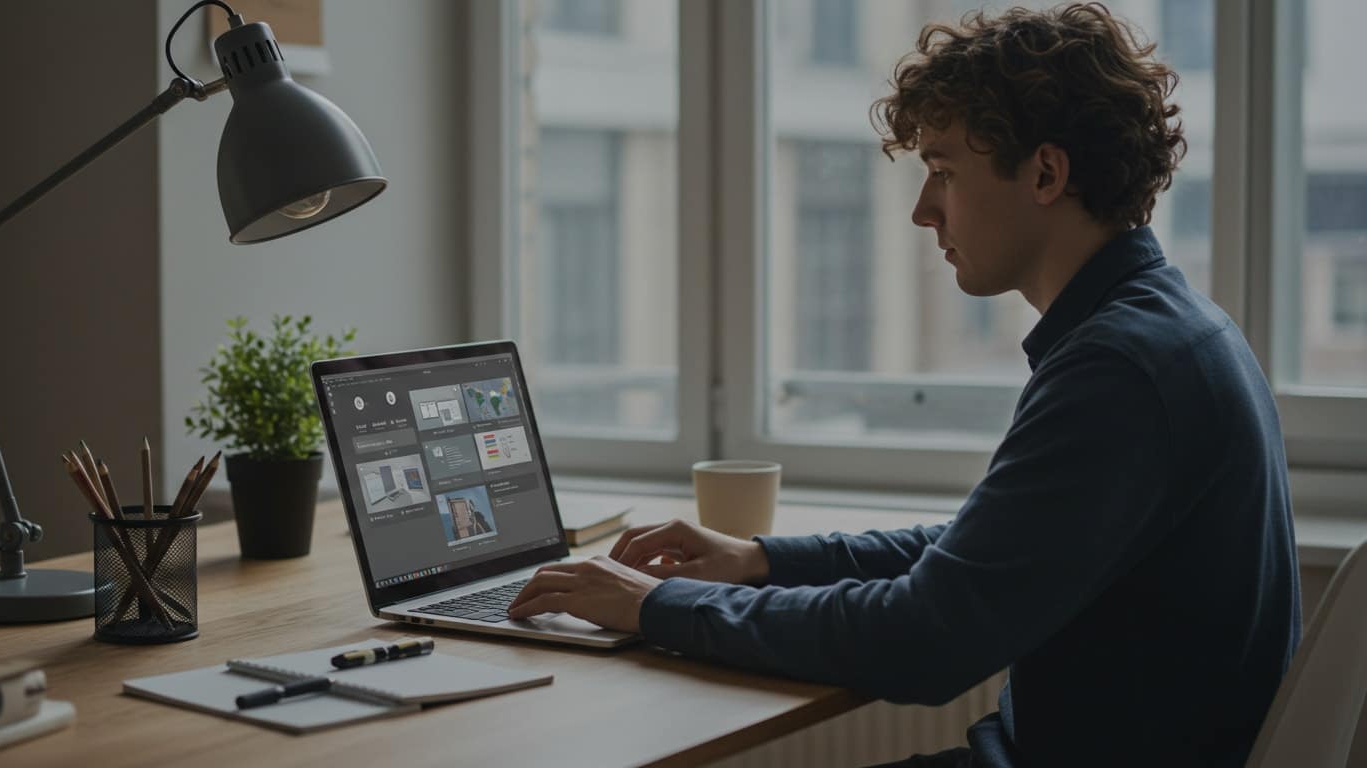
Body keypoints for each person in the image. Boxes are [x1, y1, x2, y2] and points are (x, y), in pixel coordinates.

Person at [508, 4, 1301, 766]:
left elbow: (927, 638)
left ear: (1047, 173)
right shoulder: (1167, 329)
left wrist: (651, 606)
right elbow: (981, 554)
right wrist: (759, 560)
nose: (924, 211)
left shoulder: (1119, 369)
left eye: (945, 173)